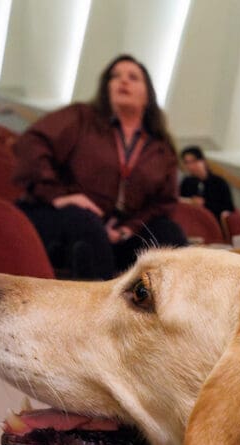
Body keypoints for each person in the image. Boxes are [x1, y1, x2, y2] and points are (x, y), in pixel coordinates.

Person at [13, 54, 187, 279]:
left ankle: (174, 312)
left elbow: (163, 203)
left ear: (148, 95)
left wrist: (129, 228)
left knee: (169, 235)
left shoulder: (160, 147)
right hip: (63, 220)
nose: (123, 81)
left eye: (133, 77)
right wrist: (58, 195)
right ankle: (98, 309)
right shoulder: (81, 118)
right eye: (115, 77)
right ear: (106, 88)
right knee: (85, 224)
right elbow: (32, 143)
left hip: (115, 233)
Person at [179, 145, 235, 222]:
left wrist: (204, 203)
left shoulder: (219, 182)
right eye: (187, 163)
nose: (190, 166)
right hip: (192, 221)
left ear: (203, 161)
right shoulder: (187, 182)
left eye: (193, 161)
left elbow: (229, 208)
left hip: (214, 222)